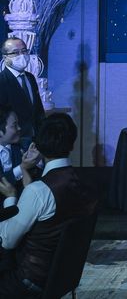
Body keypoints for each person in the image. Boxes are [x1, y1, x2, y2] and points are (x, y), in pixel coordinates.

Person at [0, 113, 98, 298]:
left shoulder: (38, 191)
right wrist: (27, 176)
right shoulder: (83, 184)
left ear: (39, 146)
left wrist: (11, 197)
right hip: (62, 278)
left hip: (27, 280)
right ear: (72, 144)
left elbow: (7, 240)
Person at [0, 38, 45, 146]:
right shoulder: (2, 81)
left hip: (35, 140)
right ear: (5, 57)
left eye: (24, 51)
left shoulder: (30, 77)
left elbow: (38, 110)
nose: (22, 55)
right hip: (13, 142)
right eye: (15, 52)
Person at [0, 105, 42, 190]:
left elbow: (37, 178)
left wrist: (36, 162)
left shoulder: (25, 146)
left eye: (18, 124)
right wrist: (22, 167)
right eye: (14, 125)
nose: (19, 128)